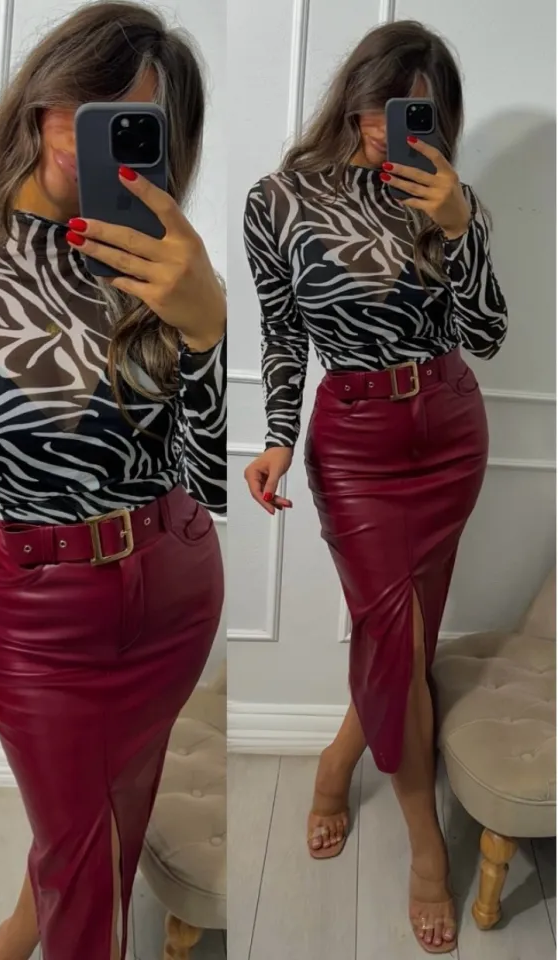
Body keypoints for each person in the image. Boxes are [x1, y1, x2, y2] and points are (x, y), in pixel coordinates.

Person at [0, 4, 225, 957]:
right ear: (40, 100)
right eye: (84, 101)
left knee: (102, 832)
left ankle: (10, 937)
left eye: (132, 119)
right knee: (84, 858)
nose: (92, 132)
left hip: (175, 585)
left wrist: (207, 329)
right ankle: (19, 936)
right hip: (42, 615)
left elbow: (209, 477)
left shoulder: (166, 268)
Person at [242, 20, 506, 954]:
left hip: (449, 429)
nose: (386, 126)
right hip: (353, 445)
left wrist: (460, 227)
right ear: (353, 97)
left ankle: (335, 763)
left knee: (405, 643)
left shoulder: (449, 198)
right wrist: (278, 437)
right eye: (378, 105)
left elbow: (489, 333)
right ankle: (427, 847)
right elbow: (282, 332)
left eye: (413, 112)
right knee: (396, 638)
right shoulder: (279, 200)